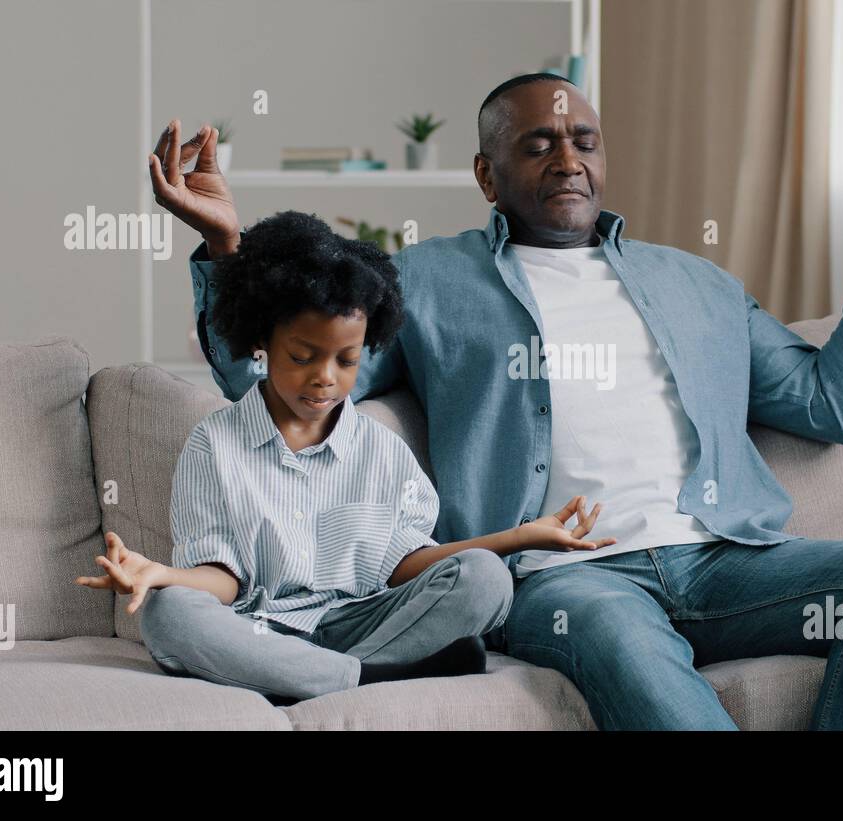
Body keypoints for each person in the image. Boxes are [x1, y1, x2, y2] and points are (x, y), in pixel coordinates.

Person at [153, 71, 843, 729]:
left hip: (727, 560)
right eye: (538, 143)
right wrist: (224, 248)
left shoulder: (696, 284)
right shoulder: (427, 280)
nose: (567, 158)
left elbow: (836, 404)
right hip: (567, 580)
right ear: (487, 172)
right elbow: (278, 389)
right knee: (618, 637)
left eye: (583, 140)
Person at [74, 209, 615, 703]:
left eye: (346, 360)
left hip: (365, 619)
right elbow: (224, 580)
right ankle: (362, 678)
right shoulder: (213, 445)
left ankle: (299, 676)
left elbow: (405, 566)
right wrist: (163, 573)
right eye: (302, 356)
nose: (325, 378)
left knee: (486, 578)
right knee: (169, 613)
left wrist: (519, 538)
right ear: (262, 342)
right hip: (257, 625)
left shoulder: (381, 450)